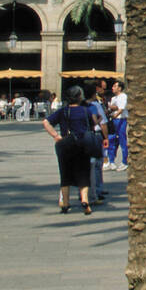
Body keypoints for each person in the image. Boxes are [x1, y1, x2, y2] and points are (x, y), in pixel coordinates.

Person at [43, 85, 97, 215]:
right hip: (82, 143)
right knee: (83, 172)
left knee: (65, 173)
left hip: (66, 143)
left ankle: (66, 203)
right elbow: (93, 123)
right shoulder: (85, 110)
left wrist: (56, 136)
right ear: (79, 97)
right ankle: (85, 200)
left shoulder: (63, 111)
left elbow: (46, 122)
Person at [84, 81, 110, 203]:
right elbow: (102, 123)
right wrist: (106, 138)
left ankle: (85, 191)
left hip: (83, 136)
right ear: (94, 94)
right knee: (98, 164)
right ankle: (98, 190)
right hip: (96, 135)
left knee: (86, 164)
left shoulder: (80, 105)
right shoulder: (95, 106)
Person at [106, 79, 129, 169]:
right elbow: (114, 107)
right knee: (111, 140)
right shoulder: (113, 98)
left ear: (119, 88)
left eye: (115, 86)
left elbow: (121, 109)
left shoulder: (123, 96)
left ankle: (124, 161)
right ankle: (111, 161)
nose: (113, 88)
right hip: (113, 121)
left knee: (122, 140)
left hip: (121, 120)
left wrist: (115, 116)